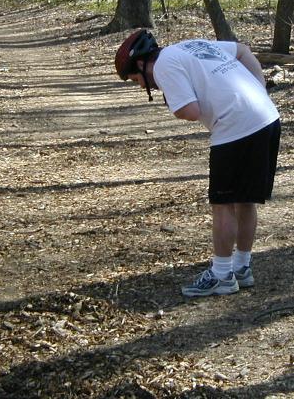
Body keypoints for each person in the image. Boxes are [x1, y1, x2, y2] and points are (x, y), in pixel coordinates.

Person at [115, 29, 280, 297]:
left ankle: (222, 275)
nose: (143, 86)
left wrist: (175, 102)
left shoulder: (163, 68)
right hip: (267, 117)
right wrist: (259, 89)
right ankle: (242, 268)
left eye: (136, 80)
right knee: (245, 199)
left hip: (235, 127)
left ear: (143, 64)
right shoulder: (188, 46)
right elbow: (243, 51)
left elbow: (190, 112)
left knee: (223, 204)